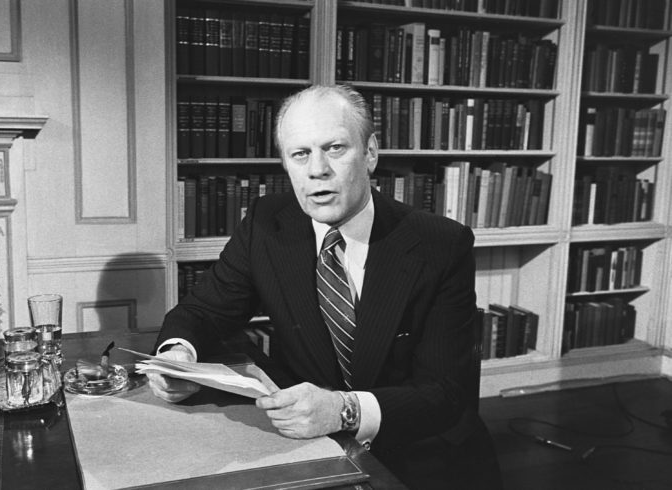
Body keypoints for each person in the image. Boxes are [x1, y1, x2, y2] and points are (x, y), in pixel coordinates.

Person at [148, 85, 503, 489]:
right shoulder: (267, 223)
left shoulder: (441, 244)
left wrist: (344, 409)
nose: (317, 170)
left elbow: (445, 392)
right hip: (311, 446)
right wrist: (178, 356)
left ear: (370, 153)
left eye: (334, 148)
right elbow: (204, 311)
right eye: (300, 154)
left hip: (418, 452)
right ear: (286, 163)